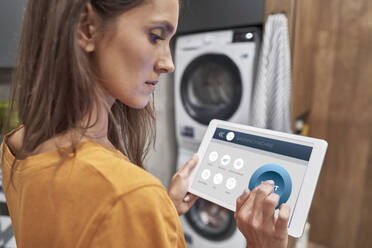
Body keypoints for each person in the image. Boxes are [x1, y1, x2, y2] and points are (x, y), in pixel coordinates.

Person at [0, 0, 290, 247]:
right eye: (155, 36)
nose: (169, 63)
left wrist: (162, 211)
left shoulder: (16, 145)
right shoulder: (126, 196)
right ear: (86, 27)